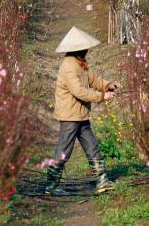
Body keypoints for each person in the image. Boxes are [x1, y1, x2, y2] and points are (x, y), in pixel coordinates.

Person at [46, 26, 119, 195]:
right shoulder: (69, 65)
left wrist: (108, 85)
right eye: (85, 47)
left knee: (92, 146)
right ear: (78, 48)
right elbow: (78, 91)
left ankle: (102, 182)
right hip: (70, 116)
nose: (87, 50)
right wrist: (102, 96)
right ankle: (51, 186)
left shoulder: (80, 62)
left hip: (81, 115)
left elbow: (92, 79)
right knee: (64, 150)